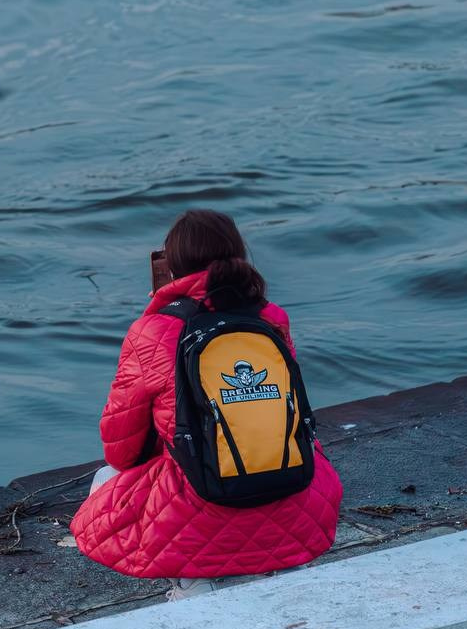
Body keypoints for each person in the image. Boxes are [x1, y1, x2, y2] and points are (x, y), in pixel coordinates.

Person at [70, 210, 342, 598]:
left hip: (193, 514)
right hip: (299, 499)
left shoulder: (153, 330)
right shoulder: (270, 318)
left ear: (171, 264)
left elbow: (121, 448)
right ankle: (269, 566)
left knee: (107, 477)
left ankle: (191, 582)